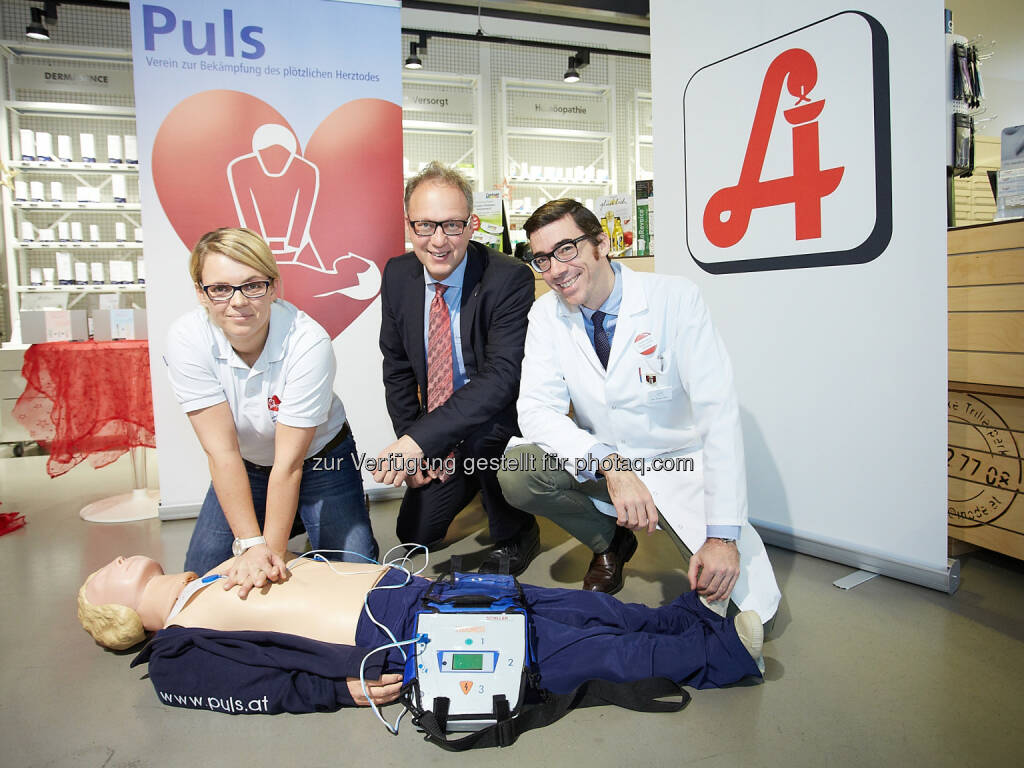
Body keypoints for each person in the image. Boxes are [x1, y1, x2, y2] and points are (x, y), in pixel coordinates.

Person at [497, 199, 780, 621]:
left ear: (602, 243)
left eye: (566, 249)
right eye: (542, 258)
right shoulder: (545, 315)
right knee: (518, 472)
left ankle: (711, 544)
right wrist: (610, 464)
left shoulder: (675, 299)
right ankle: (609, 541)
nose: (555, 269)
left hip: (676, 467)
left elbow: (717, 416)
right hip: (605, 462)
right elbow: (537, 410)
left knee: (749, 617)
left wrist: (722, 538)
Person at [77, 554, 764, 714]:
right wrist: (341, 692)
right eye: (102, 576)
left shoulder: (221, 563)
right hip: (401, 640)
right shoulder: (175, 652)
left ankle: (689, 617)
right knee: (574, 651)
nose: (110, 562)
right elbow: (253, 687)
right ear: (118, 618)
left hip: (414, 594)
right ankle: (722, 654)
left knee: (572, 609)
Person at [165, 227, 378, 598]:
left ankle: (314, 526)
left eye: (252, 285)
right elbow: (222, 452)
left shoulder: (308, 342)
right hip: (244, 464)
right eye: (219, 288)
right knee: (203, 576)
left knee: (356, 578)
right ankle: (291, 528)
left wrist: (271, 554)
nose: (238, 301)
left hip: (320, 460)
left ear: (274, 286)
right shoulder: (187, 338)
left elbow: (288, 465)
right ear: (200, 293)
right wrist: (250, 544)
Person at [375, 162, 539, 574]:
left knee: (483, 440)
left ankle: (517, 529)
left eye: (451, 225)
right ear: (408, 226)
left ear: (472, 225)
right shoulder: (397, 274)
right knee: (413, 535)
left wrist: (420, 440)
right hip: (441, 422)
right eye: (424, 226)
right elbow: (396, 367)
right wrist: (414, 442)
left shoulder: (508, 278)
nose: (438, 241)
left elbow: (501, 378)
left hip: (498, 420)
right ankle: (466, 477)